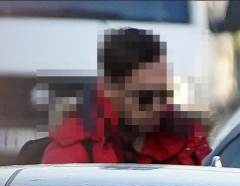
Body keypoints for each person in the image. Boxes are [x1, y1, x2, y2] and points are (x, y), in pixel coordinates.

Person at [40, 27, 210, 165]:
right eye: (145, 97)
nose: (159, 107)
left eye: (165, 94)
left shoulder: (186, 137)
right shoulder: (73, 152)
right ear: (110, 88)